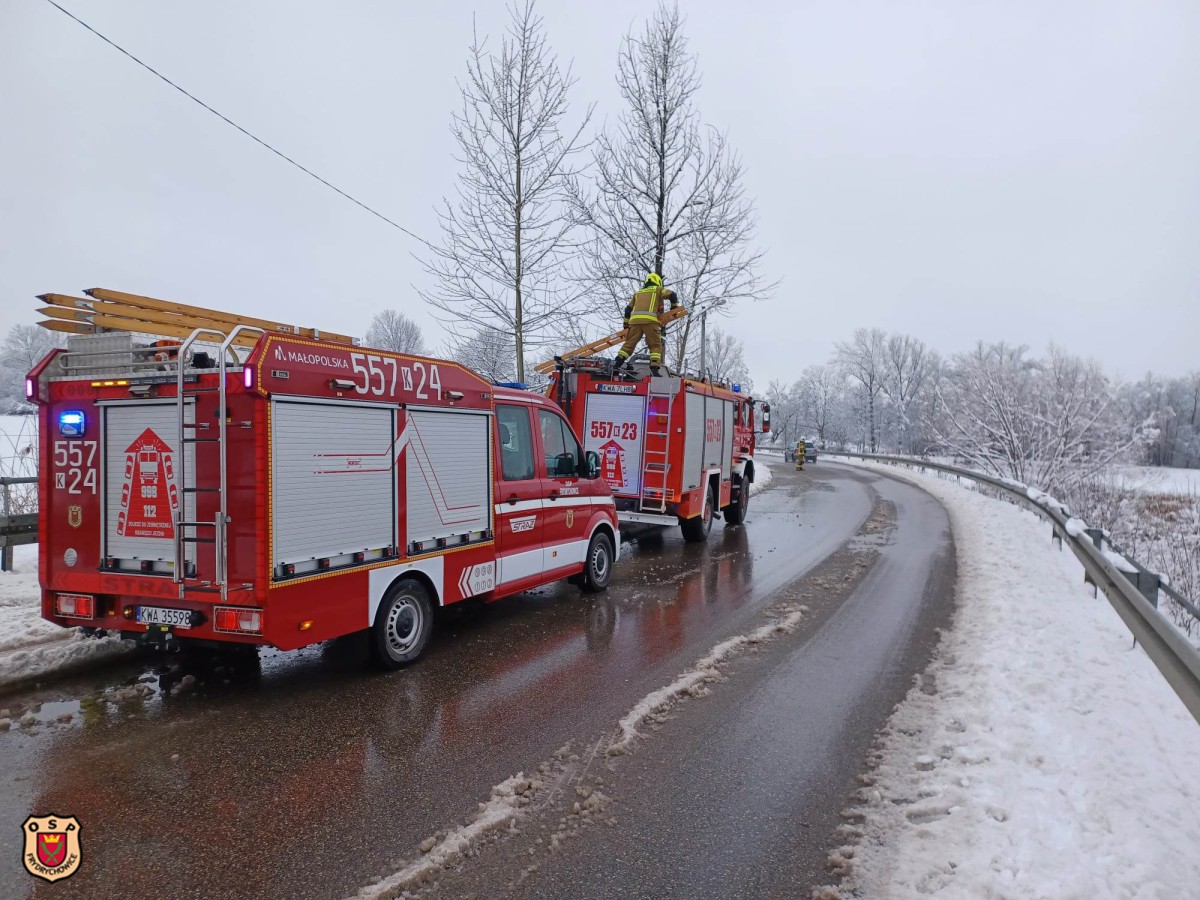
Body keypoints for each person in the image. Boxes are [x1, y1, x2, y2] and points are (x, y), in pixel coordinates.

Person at [614, 272, 678, 377]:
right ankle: (654, 370)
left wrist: (626, 325)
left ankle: (616, 365)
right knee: (655, 346)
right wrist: (674, 308)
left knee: (629, 345)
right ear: (657, 281)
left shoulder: (638, 293)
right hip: (650, 322)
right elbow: (673, 295)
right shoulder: (658, 290)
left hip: (635, 323)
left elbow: (627, 310)